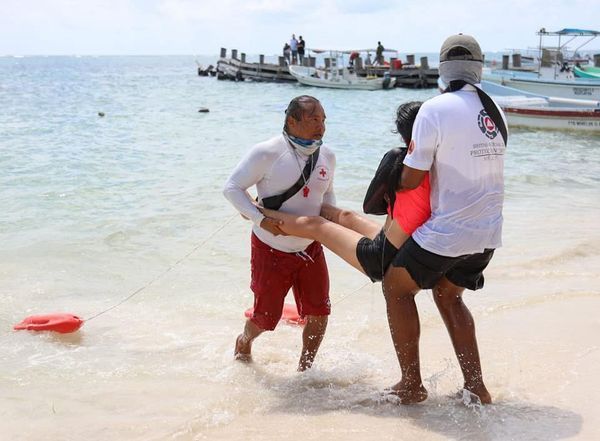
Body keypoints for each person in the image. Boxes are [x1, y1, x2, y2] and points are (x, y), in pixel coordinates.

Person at [382, 34, 507, 405]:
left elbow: (413, 178)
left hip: (450, 232)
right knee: (450, 296)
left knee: (396, 287)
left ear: (442, 70)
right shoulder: (497, 110)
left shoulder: (433, 110)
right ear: (479, 68)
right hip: (488, 232)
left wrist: (393, 171)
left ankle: (411, 384)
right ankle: (475, 386)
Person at [258, 101, 429, 286]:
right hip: (409, 245)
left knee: (316, 225)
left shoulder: (398, 157)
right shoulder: (443, 163)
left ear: (403, 135)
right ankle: (273, 206)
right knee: (345, 215)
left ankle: (258, 210)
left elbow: (370, 206)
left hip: (380, 257)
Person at [223, 96, 335, 372]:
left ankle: (304, 370)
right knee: (265, 318)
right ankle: (244, 341)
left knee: (319, 312)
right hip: (270, 247)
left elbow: (327, 195)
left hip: (310, 248)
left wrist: (331, 229)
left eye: (323, 120)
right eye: (313, 119)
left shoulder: (327, 156)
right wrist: (259, 219)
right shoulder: (267, 152)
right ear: (292, 121)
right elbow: (232, 188)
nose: (321, 126)